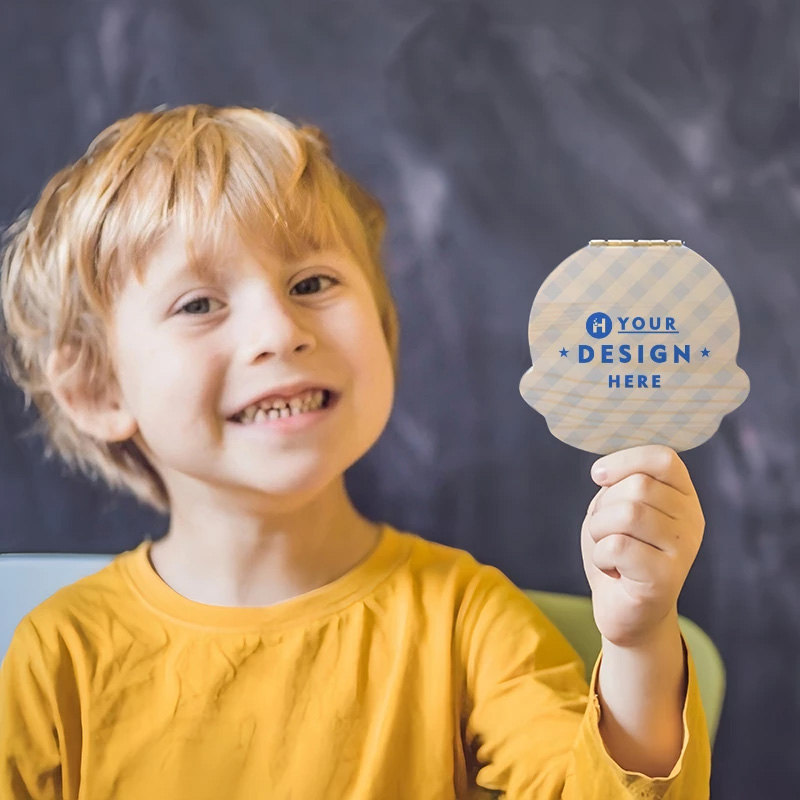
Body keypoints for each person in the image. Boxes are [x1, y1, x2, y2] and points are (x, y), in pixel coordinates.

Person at [0, 104, 710, 798]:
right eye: (199, 305)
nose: (279, 330)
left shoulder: (466, 620)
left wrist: (640, 639)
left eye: (312, 284)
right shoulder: (58, 657)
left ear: (381, 323)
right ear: (96, 388)